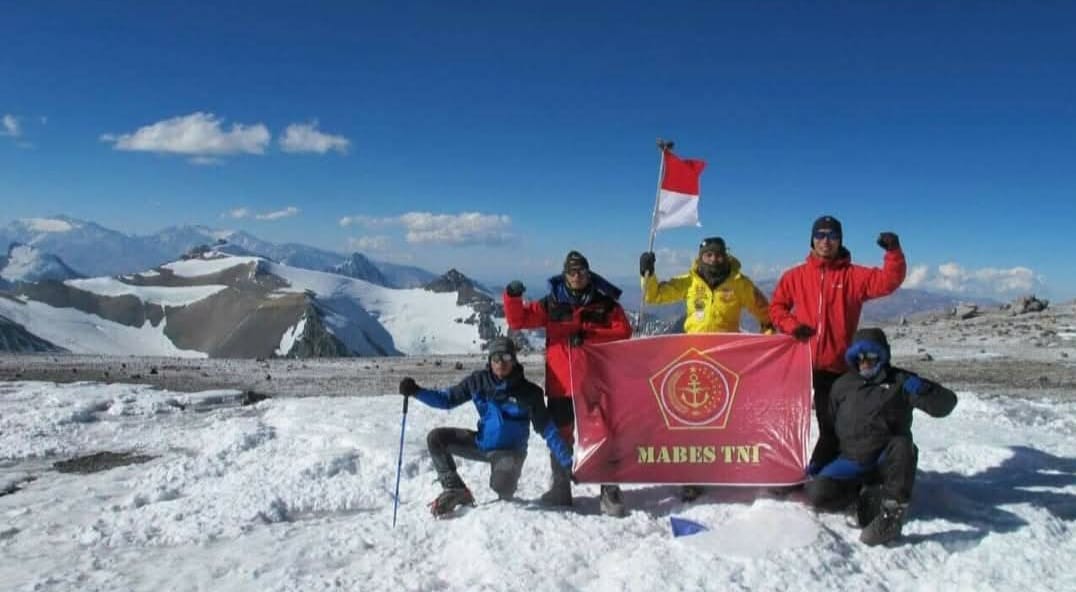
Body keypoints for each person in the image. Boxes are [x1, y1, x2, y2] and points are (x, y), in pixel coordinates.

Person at [769, 215, 906, 476]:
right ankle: (781, 469)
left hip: (835, 366)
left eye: (832, 236)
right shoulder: (795, 276)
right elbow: (776, 308)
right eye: (820, 235)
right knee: (787, 421)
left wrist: (893, 253)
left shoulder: (853, 276)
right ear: (812, 239)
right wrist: (792, 326)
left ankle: (825, 468)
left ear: (840, 240)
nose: (825, 241)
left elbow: (888, 281)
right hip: (799, 364)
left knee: (830, 422)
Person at [639, 236, 774, 502]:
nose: (713, 259)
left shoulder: (739, 283)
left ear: (725, 256)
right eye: (708, 255)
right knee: (694, 421)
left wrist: (769, 345)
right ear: (701, 257)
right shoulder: (689, 281)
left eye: (717, 255)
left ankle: (730, 467)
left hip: (727, 361)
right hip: (693, 361)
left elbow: (766, 313)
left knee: (725, 418)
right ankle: (693, 476)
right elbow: (654, 296)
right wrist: (648, 273)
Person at [503, 250, 633, 517]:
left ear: (589, 273)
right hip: (561, 383)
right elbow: (519, 320)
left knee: (603, 435)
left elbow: (623, 331)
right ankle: (561, 487)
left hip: (596, 381)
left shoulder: (604, 304)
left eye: (581, 272)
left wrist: (587, 336)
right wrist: (512, 297)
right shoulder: (551, 303)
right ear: (565, 275)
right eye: (572, 272)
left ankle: (609, 491)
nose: (577, 276)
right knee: (562, 435)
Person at [804, 328, 957, 545]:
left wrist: (925, 389)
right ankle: (863, 496)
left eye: (871, 356)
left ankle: (891, 515)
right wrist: (818, 461)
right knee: (816, 493)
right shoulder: (842, 386)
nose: (865, 362)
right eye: (860, 357)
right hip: (852, 459)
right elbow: (830, 432)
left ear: (882, 356)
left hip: (886, 460)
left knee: (902, 444)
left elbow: (946, 405)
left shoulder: (901, 381)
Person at [398, 336, 573, 518]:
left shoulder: (529, 393)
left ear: (513, 360)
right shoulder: (478, 382)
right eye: (496, 358)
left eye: (506, 358)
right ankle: (455, 488)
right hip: (482, 444)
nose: (501, 363)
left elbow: (547, 430)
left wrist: (567, 462)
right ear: (490, 361)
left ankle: (503, 477)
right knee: (436, 439)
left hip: (510, 452)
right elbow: (447, 399)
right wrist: (416, 391)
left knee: (502, 488)